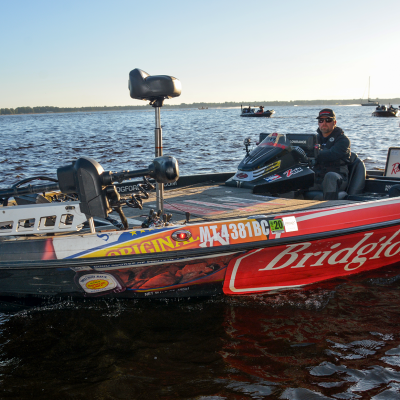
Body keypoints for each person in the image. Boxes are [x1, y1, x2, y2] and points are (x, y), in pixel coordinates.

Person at [308, 109, 351, 200]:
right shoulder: (313, 139)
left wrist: (311, 152)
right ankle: (285, 208)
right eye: (321, 120)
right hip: (318, 179)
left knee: (330, 176)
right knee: (294, 177)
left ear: (334, 122)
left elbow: (332, 154)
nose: (324, 123)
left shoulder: (343, 140)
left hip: (338, 178)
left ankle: (329, 207)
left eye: (328, 120)